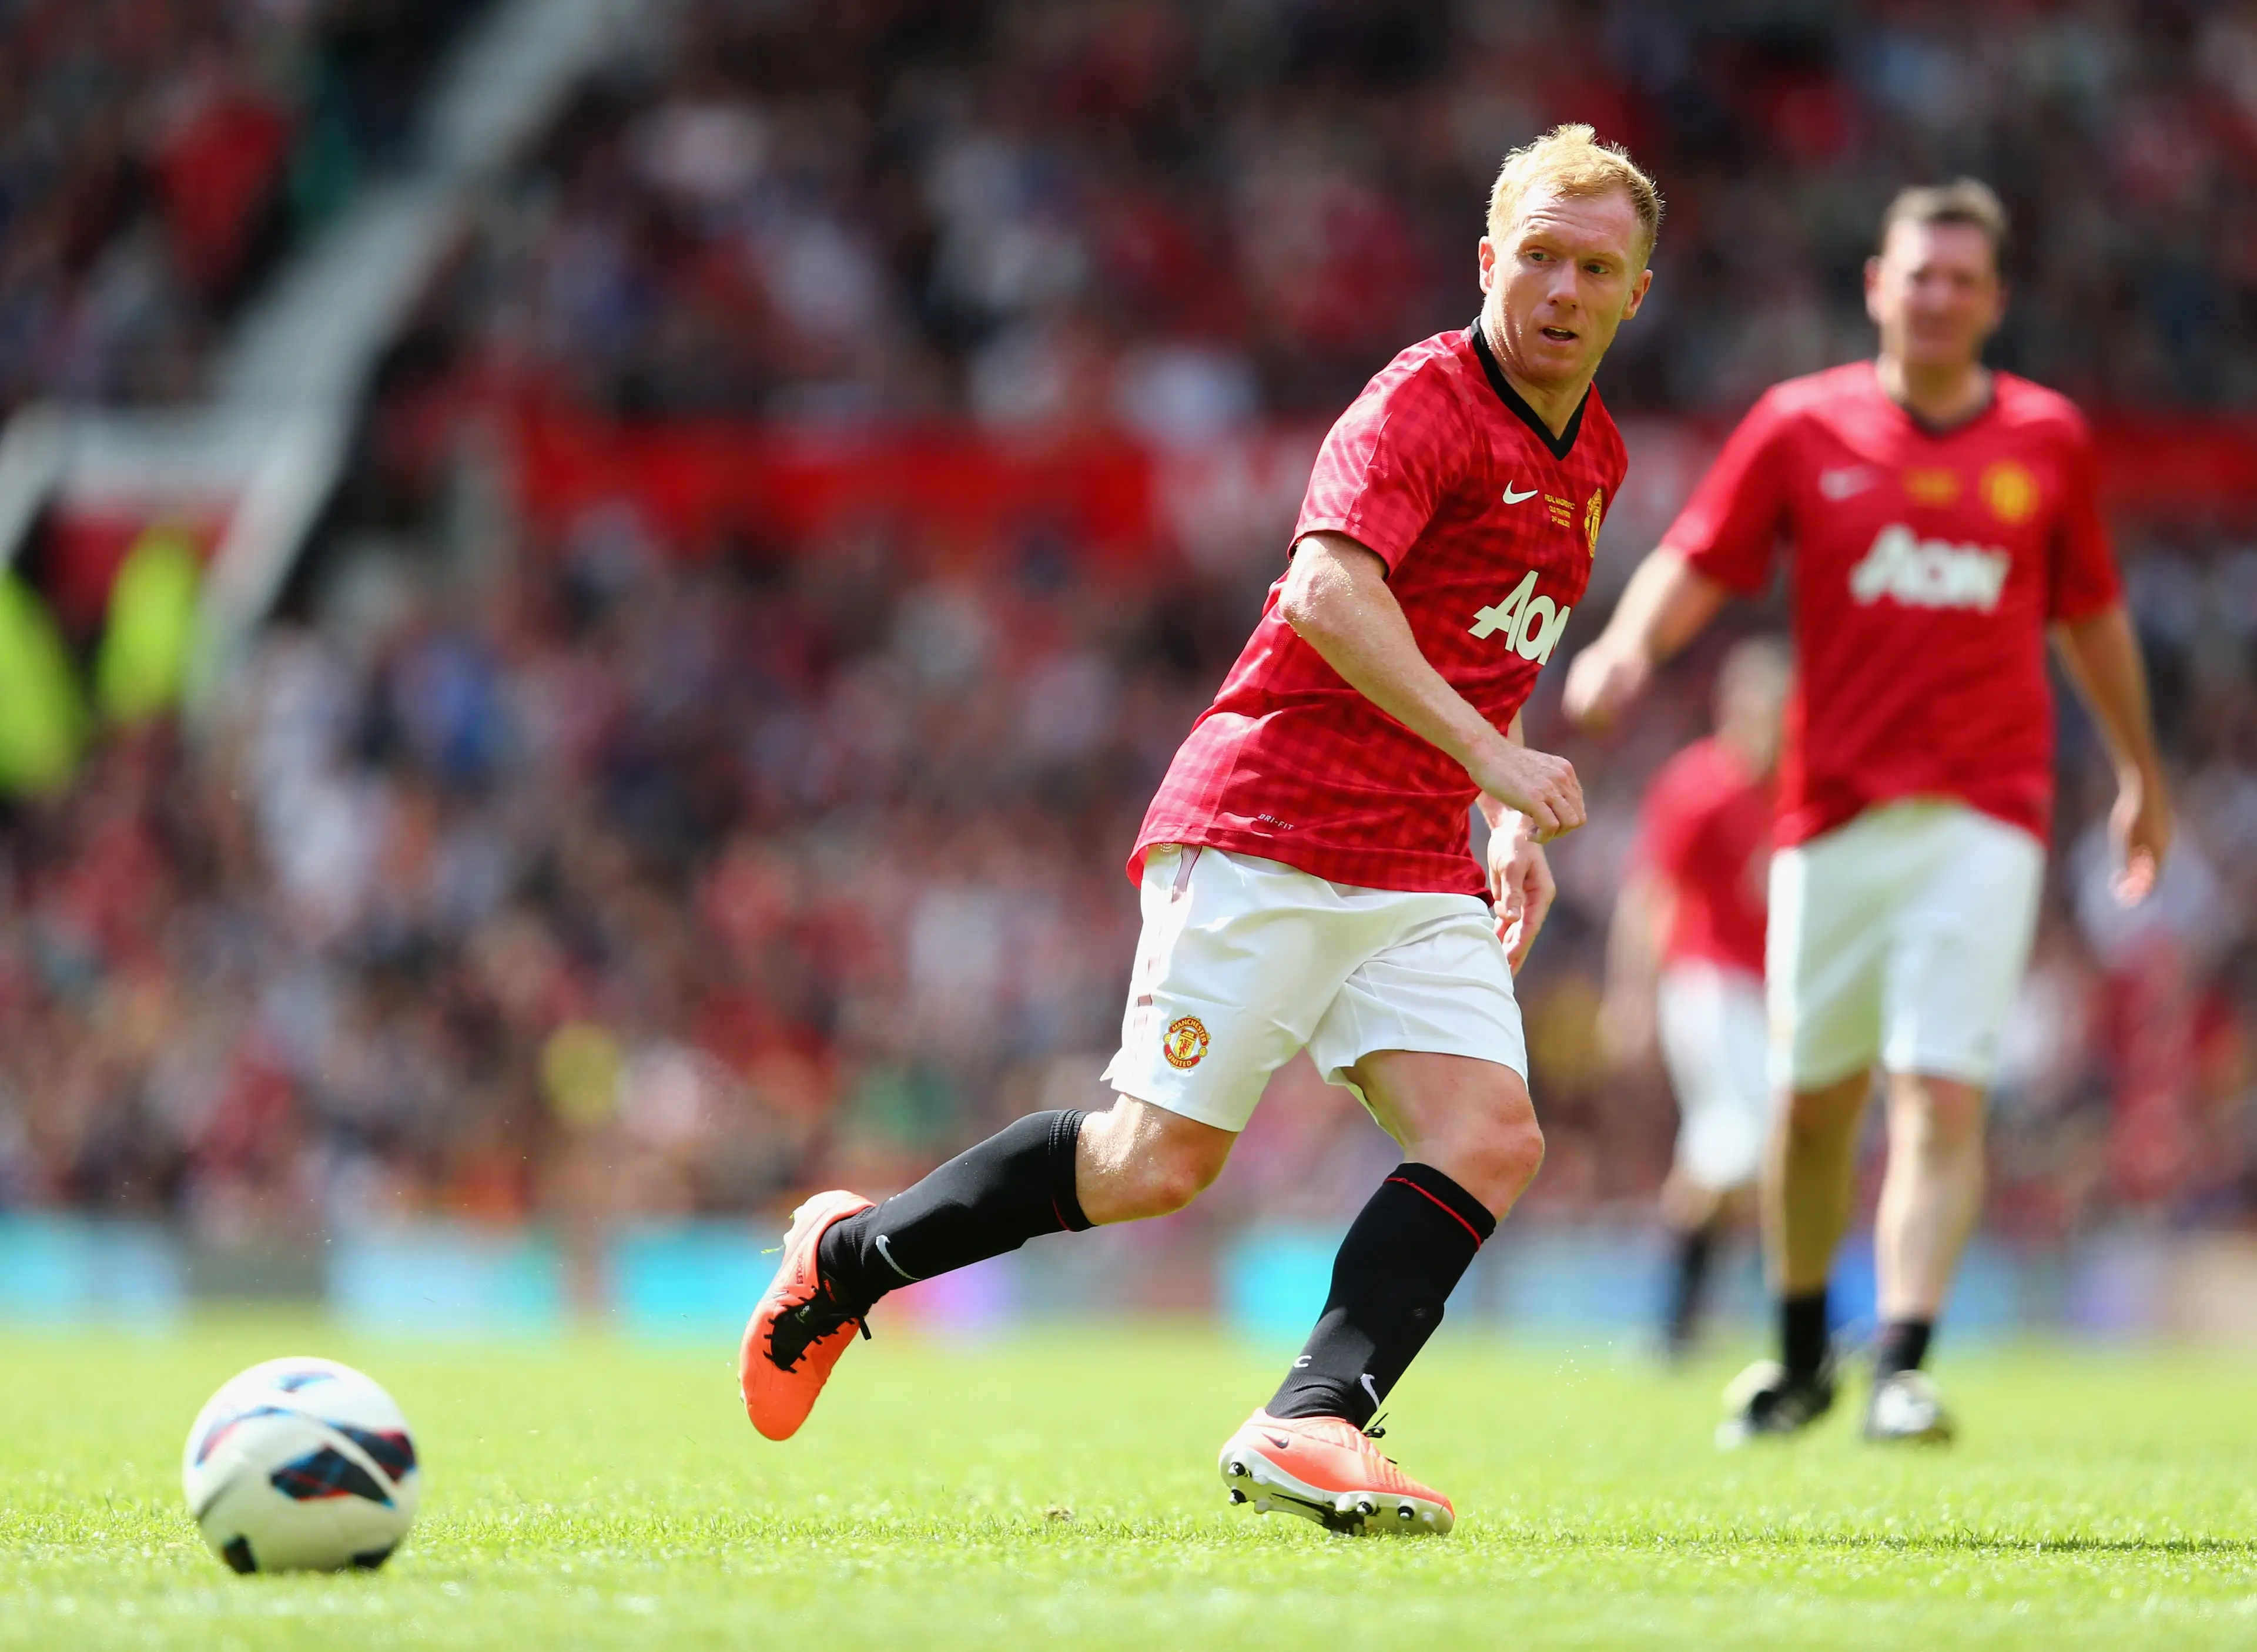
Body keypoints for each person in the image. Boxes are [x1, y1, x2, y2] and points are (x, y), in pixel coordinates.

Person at [737, 123, 1660, 1534]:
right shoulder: (1418, 404)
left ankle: (1312, 1416)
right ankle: (846, 1259)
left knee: (1488, 1132)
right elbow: (1324, 595)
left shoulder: (1591, 451)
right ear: (1488, 260)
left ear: (1634, 292)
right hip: (1270, 820)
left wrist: (1494, 791)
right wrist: (1490, 756)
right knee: (1151, 1166)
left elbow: (1482, 645)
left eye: (1595, 266)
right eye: (1537, 254)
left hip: (1413, 851)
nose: (1561, 288)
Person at [1563, 179, 2169, 1446]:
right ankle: (1795, 1358)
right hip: (1828, 817)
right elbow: (1701, 553)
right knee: (1811, 1102)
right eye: (1920, 275)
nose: (1939, 297)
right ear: (1876, 288)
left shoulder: (2047, 439)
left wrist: (2137, 772)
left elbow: (2093, 616)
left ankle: (1901, 1359)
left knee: (1941, 1092)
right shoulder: (1801, 426)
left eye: (1964, 279)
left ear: (1996, 302)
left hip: (1984, 811)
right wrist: (1626, 646)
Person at [1598, 636, 1788, 1359]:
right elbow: (1651, 895)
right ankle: (1805, 1322)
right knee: (1753, 1141)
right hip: (1705, 986)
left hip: (1766, 996)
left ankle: (1674, 1323)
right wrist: (1630, 994)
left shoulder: (1792, 789)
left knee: (1724, 1152)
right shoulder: (1698, 786)